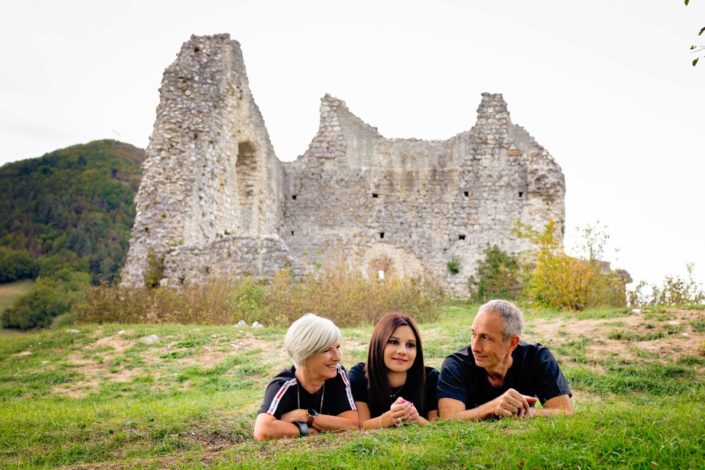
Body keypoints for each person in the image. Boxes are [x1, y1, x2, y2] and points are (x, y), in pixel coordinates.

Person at [438, 299, 572, 420]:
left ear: (512, 343)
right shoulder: (455, 364)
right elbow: (448, 418)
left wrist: (525, 412)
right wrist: (493, 407)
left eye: (486, 338)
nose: (475, 347)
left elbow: (564, 411)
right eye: (473, 334)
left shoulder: (537, 357)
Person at [253, 313, 359, 440]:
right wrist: (306, 431)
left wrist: (308, 416)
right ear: (304, 353)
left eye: (337, 347)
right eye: (326, 350)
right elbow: (263, 430)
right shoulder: (283, 384)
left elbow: (352, 424)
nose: (337, 357)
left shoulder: (338, 374)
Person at [347, 312, 438, 429]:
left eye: (410, 345)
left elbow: (435, 427)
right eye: (394, 342)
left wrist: (415, 418)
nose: (402, 351)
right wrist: (390, 417)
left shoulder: (431, 377)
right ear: (379, 343)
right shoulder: (359, 376)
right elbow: (361, 425)